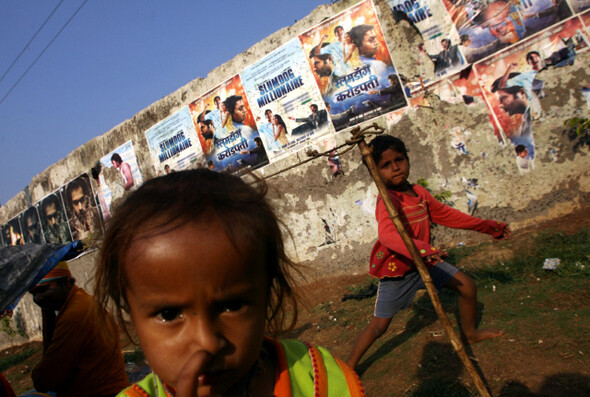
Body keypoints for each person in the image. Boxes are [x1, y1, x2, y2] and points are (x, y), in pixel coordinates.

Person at [93, 169, 365, 397]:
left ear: (267, 292)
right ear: (129, 312)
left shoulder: (313, 376)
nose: (207, 342)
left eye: (232, 306)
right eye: (169, 314)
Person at [346, 135, 510, 370]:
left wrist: (487, 227)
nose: (395, 168)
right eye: (385, 165)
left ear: (407, 159)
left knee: (467, 286)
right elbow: (388, 236)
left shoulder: (419, 193)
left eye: (399, 160)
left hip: (427, 261)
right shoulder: (388, 201)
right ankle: (350, 365)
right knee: (379, 326)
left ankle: (470, 333)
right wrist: (422, 250)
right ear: (375, 172)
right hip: (400, 269)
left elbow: (449, 215)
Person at [29, 261, 129, 397]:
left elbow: (46, 380)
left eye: (43, 289)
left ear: (65, 282)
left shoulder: (74, 317)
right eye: (33, 294)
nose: (38, 298)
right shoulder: (81, 302)